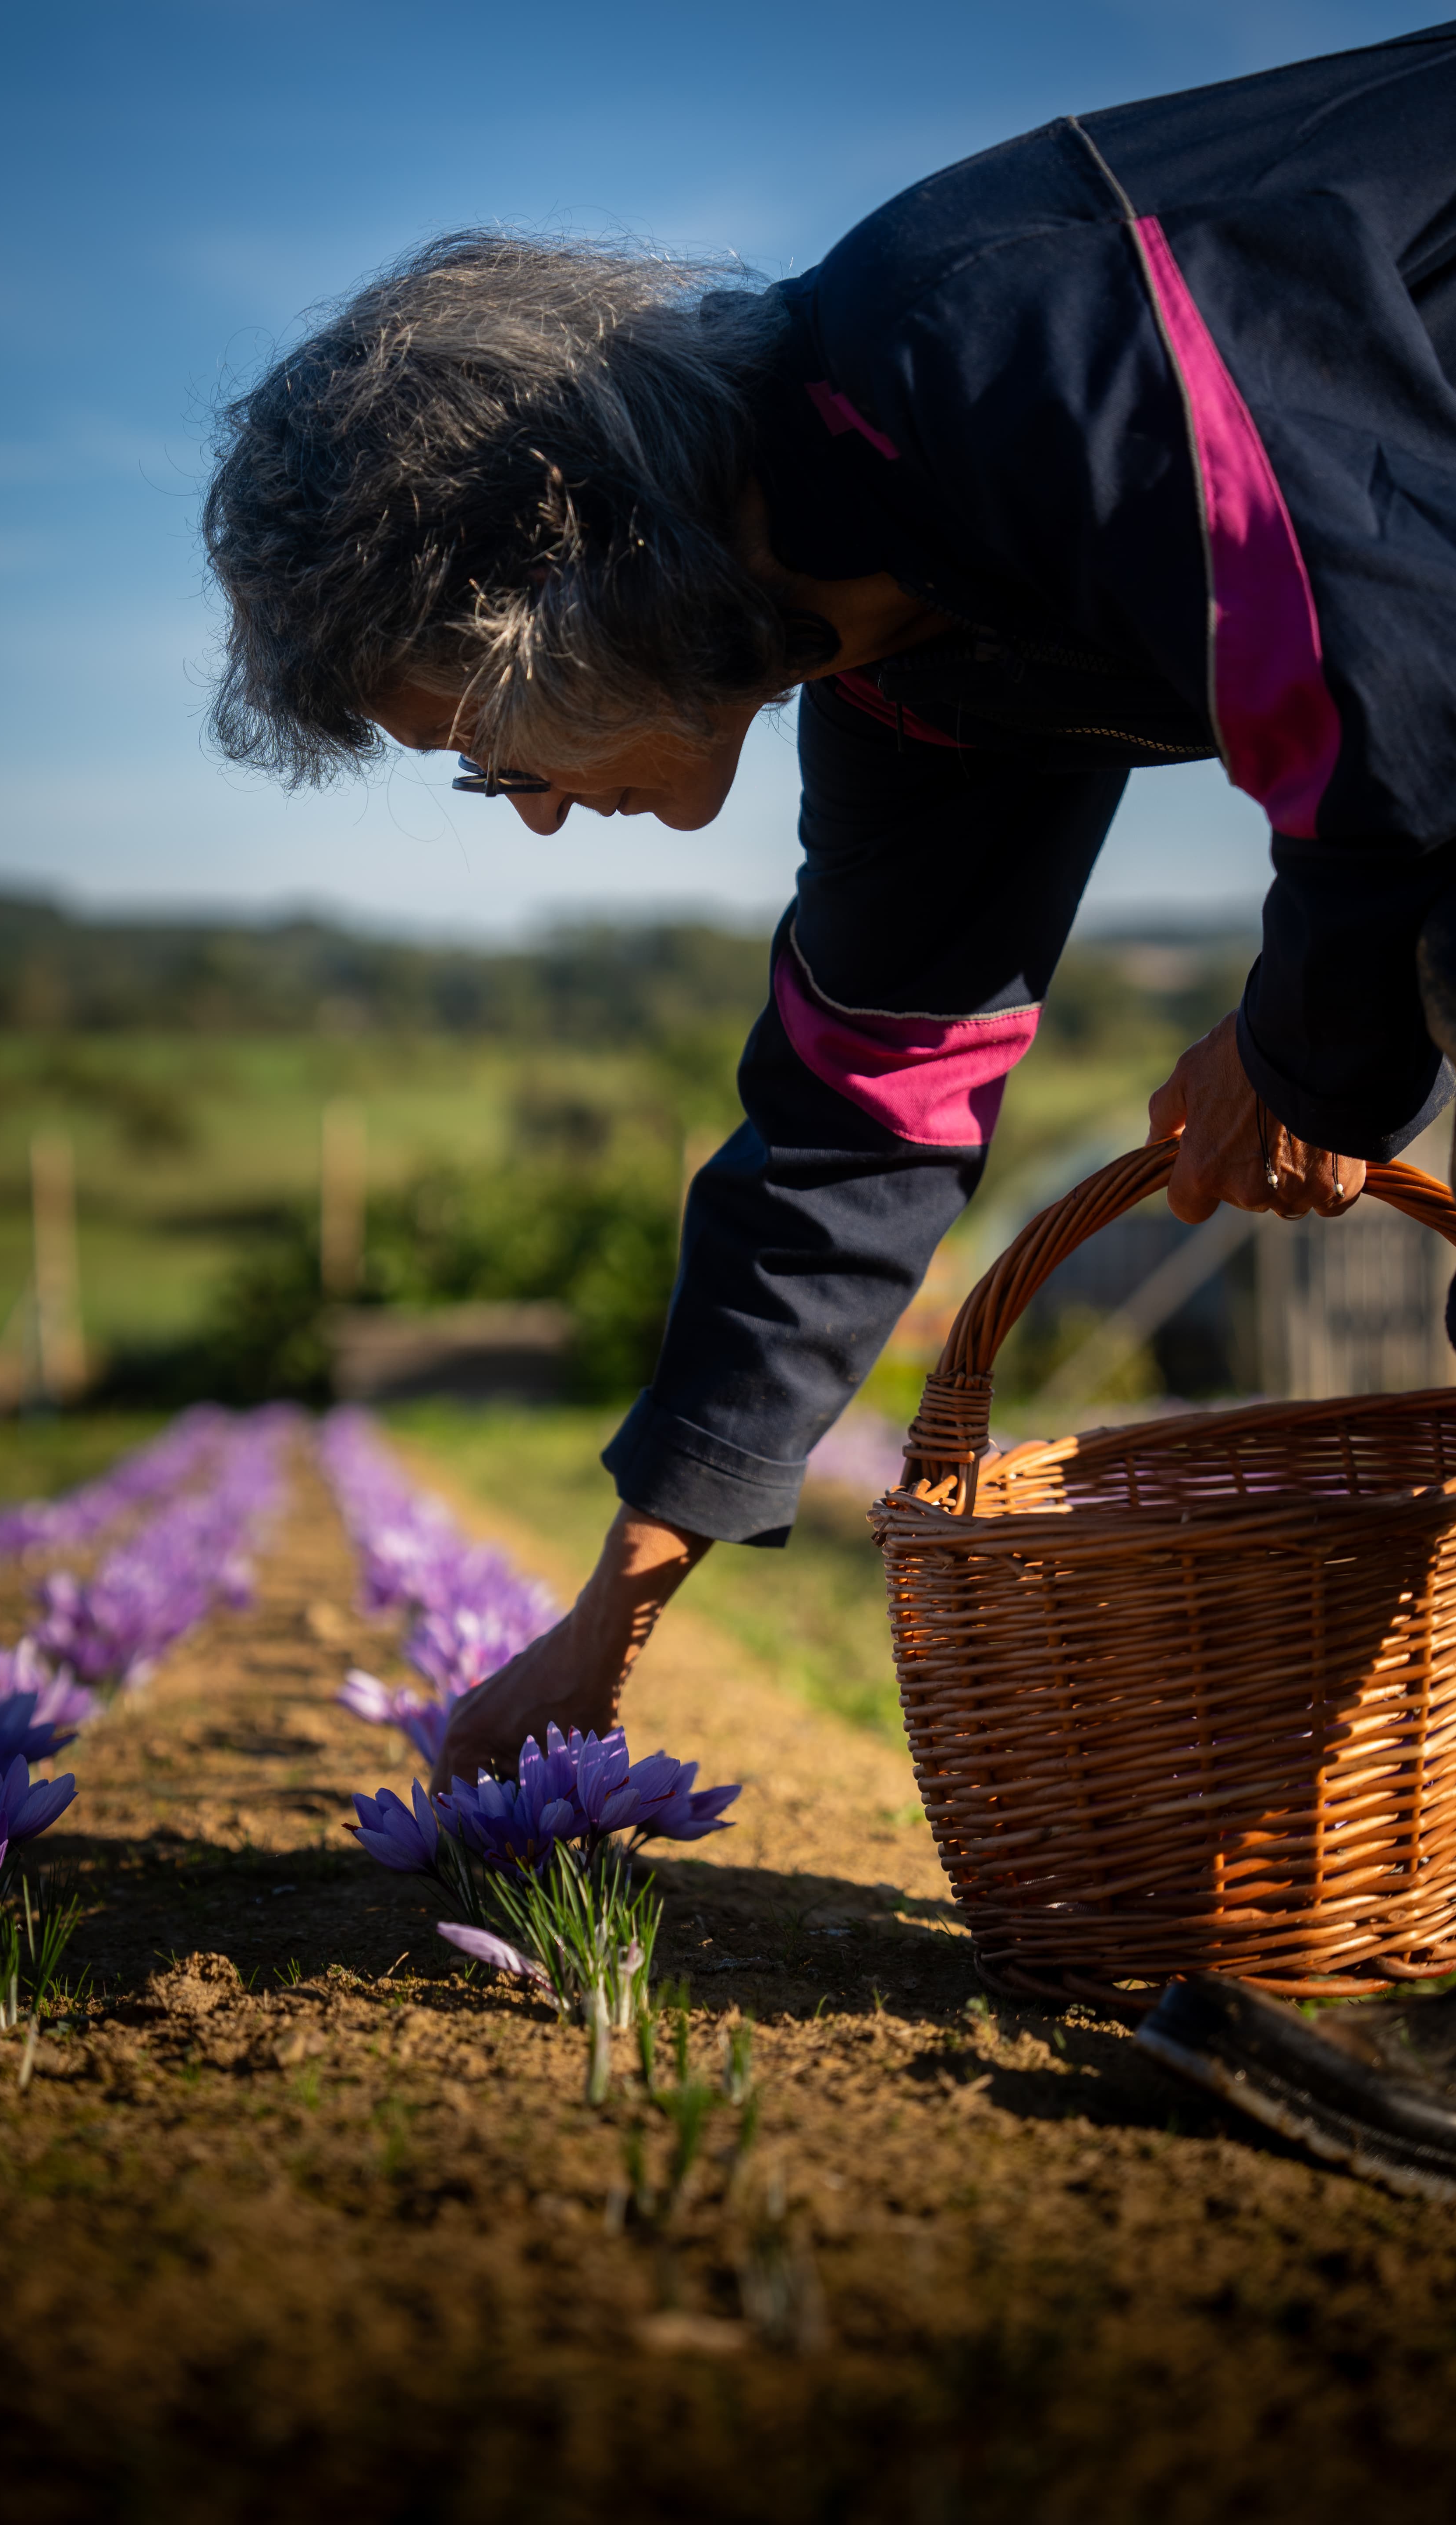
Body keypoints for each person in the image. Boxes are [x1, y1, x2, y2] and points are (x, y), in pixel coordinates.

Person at [203, 23, 1456, 1807]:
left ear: (569, 586)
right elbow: (859, 1125)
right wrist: (603, 1630)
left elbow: (1403, 693)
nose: (539, 817)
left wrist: (1312, 1045)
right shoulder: (903, 664)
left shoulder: (998, 347)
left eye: (487, 754)